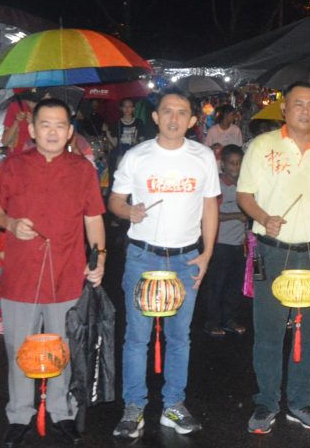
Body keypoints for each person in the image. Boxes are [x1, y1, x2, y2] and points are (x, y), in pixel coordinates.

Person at [0, 98, 106, 447]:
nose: (52, 132)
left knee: (62, 348)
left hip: (67, 274)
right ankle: (20, 413)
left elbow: (93, 218)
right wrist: (9, 223)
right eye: (45, 125)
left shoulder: (82, 169)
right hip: (20, 275)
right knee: (19, 348)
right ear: (34, 130)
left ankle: (61, 410)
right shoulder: (13, 166)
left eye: (60, 126)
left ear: (69, 132)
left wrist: (100, 260)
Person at [238, 82, 310, 433]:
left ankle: (301, 400)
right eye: (298, 104)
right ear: (284, 109)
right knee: (269, 332)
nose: (305, 110)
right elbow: (244, 194)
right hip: (271, 253)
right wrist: (262, 217)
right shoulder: (262, 145)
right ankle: (266, 402)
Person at [108, 90, 220, 439]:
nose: (174, 118)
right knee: (136, 337)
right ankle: (134, 407)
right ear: (155, 117)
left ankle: (173, 404)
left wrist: (206, 255)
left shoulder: (202, 157)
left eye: (182, 112)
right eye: (167, 111)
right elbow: (114, 201)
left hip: (186, 258)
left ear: (191, 120)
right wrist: (129, 211)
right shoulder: (137, 156)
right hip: (143, 255)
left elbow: (210, 208)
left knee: (179, 337)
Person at [203, 144, 249, 337]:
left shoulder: (245, 186)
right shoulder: (219, 186)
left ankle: (229, 319)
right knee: (217, 285)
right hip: (220, 243)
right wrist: (236, 216)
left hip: (239, 245)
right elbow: (209, 214)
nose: (235, 167)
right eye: (232, 163)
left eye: (239, 163)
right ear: (223, 164)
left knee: (234, 285)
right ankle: (211, 322)